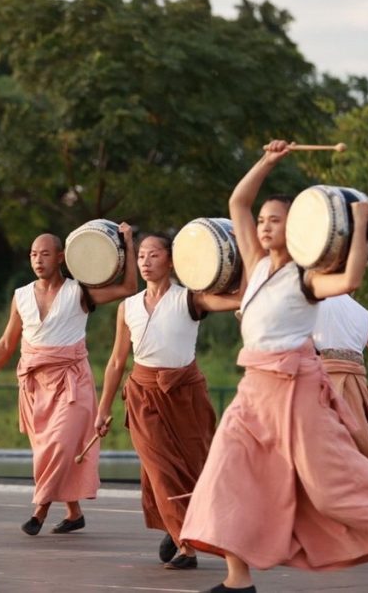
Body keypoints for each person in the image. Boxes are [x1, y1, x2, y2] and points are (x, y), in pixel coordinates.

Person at [180, 141, 368, 593]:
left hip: (295, 388)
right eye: (262, 221)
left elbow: (352, 280)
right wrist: (268, 161)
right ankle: (238, 580)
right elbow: (237, 202)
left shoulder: (306, 277)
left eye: (274, 221)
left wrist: (358, 226)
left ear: (297, 228)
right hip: (253, 388)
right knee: (225, 473)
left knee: (329, 488)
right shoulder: (256, 266)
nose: (263, 227)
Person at [0, 226, 137, 535]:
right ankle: (74, 513)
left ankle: (40, 509)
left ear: (60, 257)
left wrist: (127, 241)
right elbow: (6, 345)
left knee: (58, 445)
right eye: (33, 254)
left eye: (45, 254)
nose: (38, 259)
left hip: (72, 383)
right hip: (34, 386)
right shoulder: (21, 296)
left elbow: (128, 287)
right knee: (51, 449)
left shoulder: (79, 291)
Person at [94, 233, 240, 570]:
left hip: (186, 394)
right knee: (159, 470)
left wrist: (240, 256)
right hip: (143, 395)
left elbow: (238, 298)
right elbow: (117, 361)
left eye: (153, 255)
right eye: (141, 255)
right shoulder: (127, 306)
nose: (145, 261)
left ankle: (176, 526)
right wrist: (103, 408)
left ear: (171, 260)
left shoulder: (190, 298)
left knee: (193, 468)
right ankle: (186, 544)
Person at [312, 293, 368, 462]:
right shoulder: (363, 314)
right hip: (355, 389)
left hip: (320, 383)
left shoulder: (310, 303)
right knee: (354, 450)